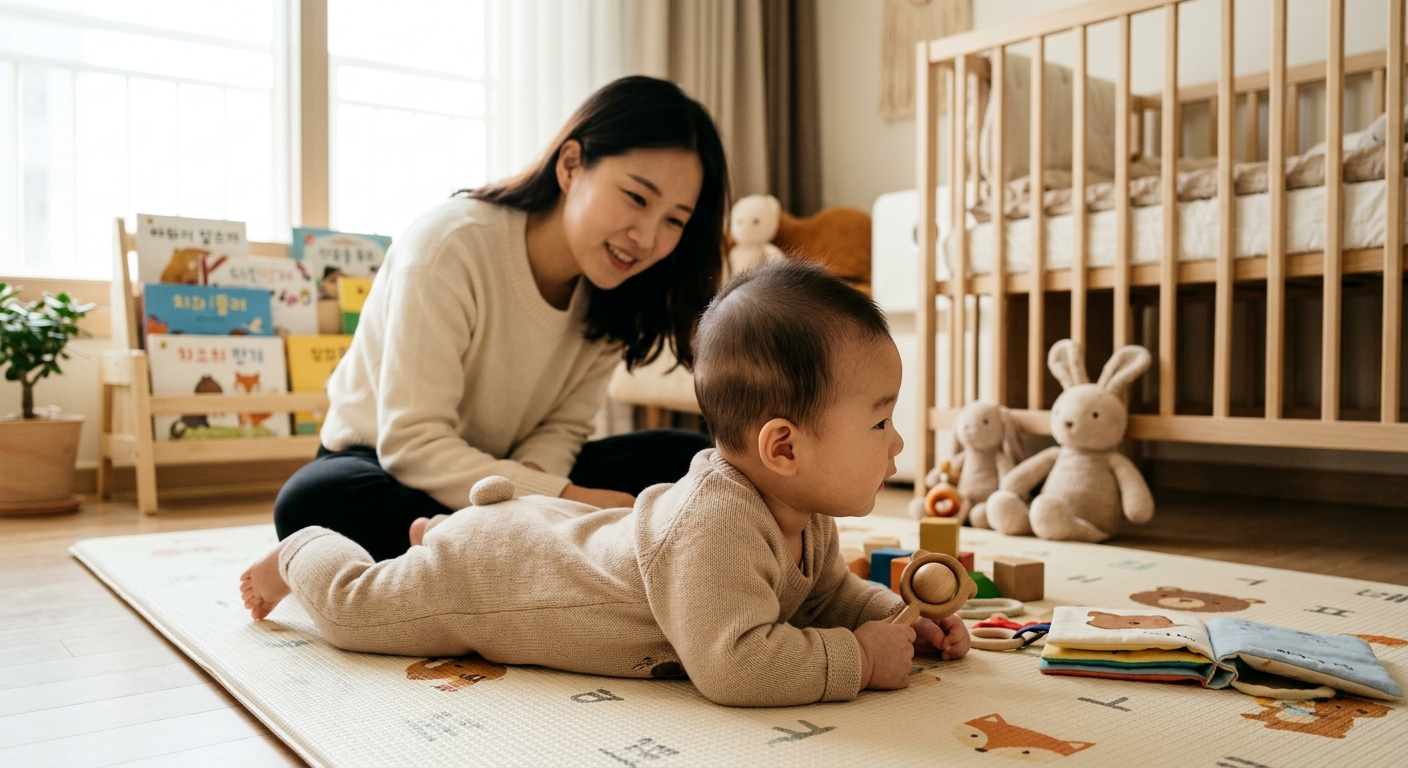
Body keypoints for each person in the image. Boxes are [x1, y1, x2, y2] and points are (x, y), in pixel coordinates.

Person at [240, 262, 972, 708]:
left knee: (500, 529)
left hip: (539, 535)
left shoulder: (802, 514)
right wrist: (857, 660)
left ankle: (434, 534)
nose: (898, 444)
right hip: (492, 575)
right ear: (782, 446)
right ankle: (307, 551)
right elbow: (734, 664)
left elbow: (820, 596)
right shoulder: (716, 527)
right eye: (880, 424)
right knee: (352, 614)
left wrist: (895, 617)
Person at [273, 77, 728, 561]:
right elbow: (411, 444)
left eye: (675, 220)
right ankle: (534, 550)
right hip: (387, 466)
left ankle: (472, 549)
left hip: (504, 473)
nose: (647, 237)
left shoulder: (622, 289)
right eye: (637, 198)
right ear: (571, 165)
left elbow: (563, 429)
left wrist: (530, 492)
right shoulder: (450, 245)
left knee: (691, 458)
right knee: (313, 501)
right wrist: (566, 501)